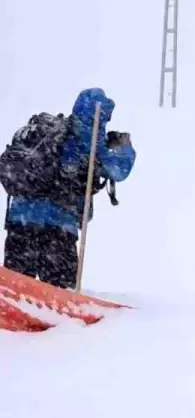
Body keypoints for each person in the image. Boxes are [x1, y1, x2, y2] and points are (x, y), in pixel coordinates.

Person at [2, 88, 136, 289]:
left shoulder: (53, 134)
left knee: (15, 287)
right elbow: (118, 170)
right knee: (58, 289)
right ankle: (59, 320)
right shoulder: (88, 139)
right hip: (58, 227)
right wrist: (125, 147)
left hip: (20, 220)